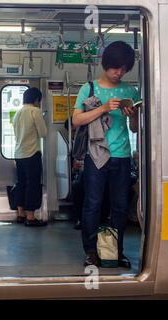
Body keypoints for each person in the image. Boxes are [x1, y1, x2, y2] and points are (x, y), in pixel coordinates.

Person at [72, 41, 139, 268]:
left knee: (120, 207)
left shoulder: (131, 90)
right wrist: (103, 108)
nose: (118, 73)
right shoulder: (88, 88)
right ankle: (91, 252)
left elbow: (135, 129)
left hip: (122, 157)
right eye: (115, 68)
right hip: (95, 156)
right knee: (93, 204)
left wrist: (131, 116)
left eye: (123, 69)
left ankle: (115, 251)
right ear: (105, 64)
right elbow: (76, 120)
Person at [13, 87, 47, 227]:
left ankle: (21, 214)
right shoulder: (35, 111)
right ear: (36, 99)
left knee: (21, 183)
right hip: (32, 153)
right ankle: (31, 217)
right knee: (33, 184)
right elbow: (43, 133)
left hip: (19, 154)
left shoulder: (18, 113)